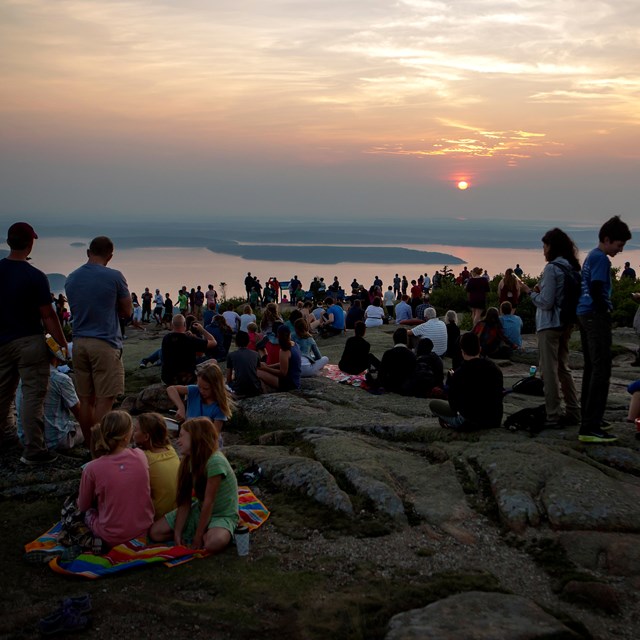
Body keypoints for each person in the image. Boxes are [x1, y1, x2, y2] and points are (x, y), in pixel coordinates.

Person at [0, 222, 68, 464]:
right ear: (30, 244)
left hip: (2, 342)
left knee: (2, 395)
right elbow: (48, 315)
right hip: (30, 341)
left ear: (9, 242)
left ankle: (5, 441)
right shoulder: (35, 276)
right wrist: (61, 345)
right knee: (32, 397)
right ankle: (34, 450)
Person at [65, 236, 132, 445]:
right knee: (105, 398)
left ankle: (89, 444)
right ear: (110, 256)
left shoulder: (71, 278)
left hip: (79, 342)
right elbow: (127, 310)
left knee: (86, 399)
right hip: (104, 343)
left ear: (88, 252)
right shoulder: (114, 277)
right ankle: (99, 446)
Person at [576, 215, 631, 443]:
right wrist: (605, 313)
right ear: (607, 239)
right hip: (595, 315)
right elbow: (598, 287)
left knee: (592, 367)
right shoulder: (601, 260)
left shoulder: (591, 256)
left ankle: (589, 417)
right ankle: (590, 427)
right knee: (602, 370)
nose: (620, 250)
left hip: (584, 313)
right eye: (619, 245)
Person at [520, 228, 582, 429]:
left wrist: (529, 292)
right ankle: (574, 411)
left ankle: (553, 414)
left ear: (552, 247)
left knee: (549, 371)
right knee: (563, 368)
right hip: (566, 324)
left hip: (549, 325)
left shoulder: (551, 269)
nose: (543, 251)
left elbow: (546, 302)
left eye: (545, 246)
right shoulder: (571, 267)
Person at [149, 417, 238, 553]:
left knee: (214, 543)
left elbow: (209, 502)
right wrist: (177, 534)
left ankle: (208, 534)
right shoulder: (188, 461)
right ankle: (200, 533)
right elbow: (184, 501)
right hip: (200, 510)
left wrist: (197, 537)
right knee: (155, 533)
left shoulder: (215, 461)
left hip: (221, 514)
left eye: (182, 436)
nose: (178, 441)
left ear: (196, 437)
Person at [78, 411, 154, 548]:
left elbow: (83, 506)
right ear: (126, 437)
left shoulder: (91, 468)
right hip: (143, 530)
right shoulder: (140, 455)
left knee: (76, 508)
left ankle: (89, 539)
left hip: (111, 535)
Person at [430, 332, 504, 431]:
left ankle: (450, 423)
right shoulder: (495, 369)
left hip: (470, 422)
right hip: (494, 420)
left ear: (462, 352)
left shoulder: (459, 373)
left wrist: (452, 382)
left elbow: (454, 405)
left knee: (433, 404)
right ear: (480, 349)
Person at [16, 346, 84, 452]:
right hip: (56, 441)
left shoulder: (23, 378)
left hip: (25, 439)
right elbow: (79, 413)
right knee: (87, 428)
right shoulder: (61, 379)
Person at [132, 413, 180, 520]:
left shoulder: (143, 457)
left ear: (146, 437)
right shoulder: (170, 449)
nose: (133, 433)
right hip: (177, 510)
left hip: (157, 515)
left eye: (135, 430)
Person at [166, 362, 233, 439]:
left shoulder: (219, 408)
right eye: (199, 386)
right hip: (188, 436)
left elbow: (214, 435)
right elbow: (171, 389)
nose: (201, 391)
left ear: (216, 387)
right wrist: (181, 408)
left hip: (204, 442)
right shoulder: (195, 390)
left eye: (206, 388)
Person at [161, 315, 216, 385]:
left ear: (172, 324)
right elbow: (213, 342)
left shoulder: (166, 338)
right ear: (184, 324)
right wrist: (202, 329)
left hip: (168, 379)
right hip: (187, 379)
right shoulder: (190, 339)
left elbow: (178, 340)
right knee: (213, 361)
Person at [258, 325, 302, 391]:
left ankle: (264, 394)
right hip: (295, 380)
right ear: (290, 333)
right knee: (262, 368)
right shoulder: (295, 345)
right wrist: (268, 366)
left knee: (258, 372)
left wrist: (265, 368)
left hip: (289, 384)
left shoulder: (284, 350)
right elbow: (284, 363)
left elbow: (283, 373)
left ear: (278, 336)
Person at [377, 327, 416, 394]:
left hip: (390, 386)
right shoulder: (411, 355)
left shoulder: (388, 353)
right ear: (406, 339)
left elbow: (381, 373)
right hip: (406, 387)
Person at [226, 331, 262, 397]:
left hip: (239, 390)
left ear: (236, 343)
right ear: (248, 342)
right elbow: (256, 372)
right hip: (255, 389)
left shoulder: (231, 355)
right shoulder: (256, 354)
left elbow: (228, 379)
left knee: (225, 385)